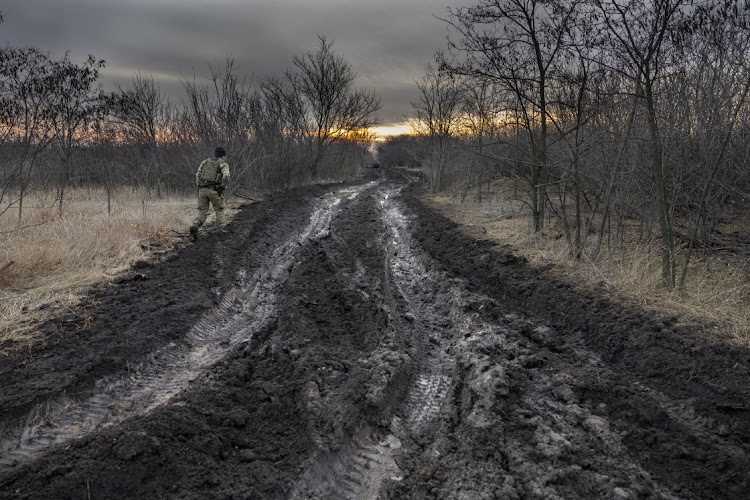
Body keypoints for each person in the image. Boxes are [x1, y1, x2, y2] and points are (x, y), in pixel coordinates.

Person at [189, 147, 230, 240]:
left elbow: (197, 175)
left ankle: (194, 226)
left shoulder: (205, 162)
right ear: (223, 156)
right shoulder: (223, 164)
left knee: (202, 212)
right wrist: (222, 186)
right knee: (219, 210)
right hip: (214, 191)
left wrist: (200, 186)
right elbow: (226, 175)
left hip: (202, 190)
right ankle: (221, 231)